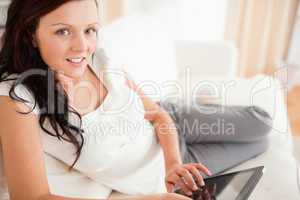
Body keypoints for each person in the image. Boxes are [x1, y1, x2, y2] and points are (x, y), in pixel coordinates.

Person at [0, 0, 272, 199]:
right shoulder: (18, 98)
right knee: (261, 142)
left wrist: (174, 163)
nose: (82, 46)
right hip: (164, 175)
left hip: (171, 129)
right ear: (30, 34)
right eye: (63, 31)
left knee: (262, 124)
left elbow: (157, 114)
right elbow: (31, 197)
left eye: (89, 30)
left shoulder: (97, 60)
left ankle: (198, 102)